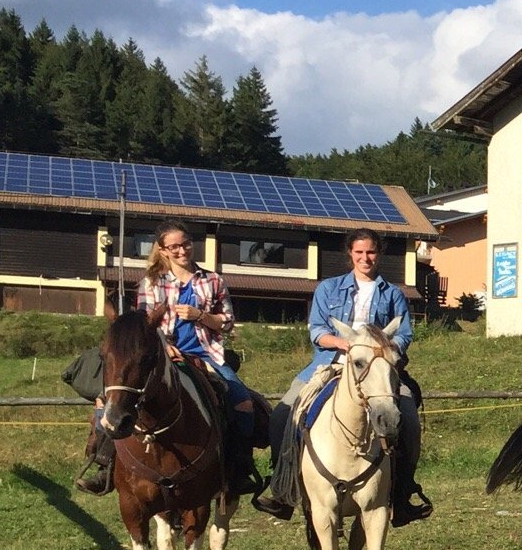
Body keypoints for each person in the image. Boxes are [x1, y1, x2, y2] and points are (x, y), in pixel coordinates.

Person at [253, 228, 430, 526]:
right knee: (282, 415)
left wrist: (381, 350)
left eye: (371, 252)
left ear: (379, 254)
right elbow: (317, 330)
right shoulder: (328, 288)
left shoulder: (393, 294)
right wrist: (344, 344)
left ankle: (402, 493)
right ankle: (283, 487)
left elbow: (405, 333)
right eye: (359, 252)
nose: (365, 258)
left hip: (377, 370)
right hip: (329, 365)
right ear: (350, 253)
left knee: (409, 420)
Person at [75, 221, 262, 498]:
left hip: (206, 354)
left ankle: (237, 468)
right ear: (162, 251)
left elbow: (228, 322)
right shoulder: (152, 282)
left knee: (242, 402)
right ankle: (105, 468)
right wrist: (166, 347)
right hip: (162, 356)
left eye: (185, 243)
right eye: (173, 246)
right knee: (114, 403)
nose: (181, 250)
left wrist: (201, 316)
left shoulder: (213, 281)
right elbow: (144, 326)